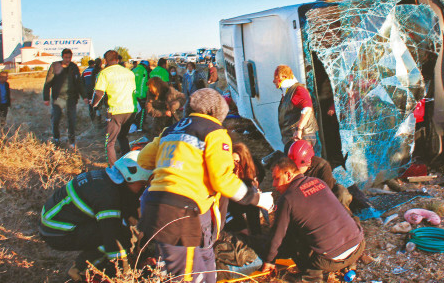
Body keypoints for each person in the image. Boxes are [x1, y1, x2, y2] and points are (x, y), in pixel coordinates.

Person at [137, 88, 274, 283]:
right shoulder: (214, 132)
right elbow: (223, 180)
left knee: (205, 267)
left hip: (155, 206)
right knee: (192, 278)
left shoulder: (171, 130)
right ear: (217, 112)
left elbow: (143, 159)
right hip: (182, 212)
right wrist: (258, 198)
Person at [39, 151, 152, 281]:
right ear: (130, 177)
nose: (143, 188)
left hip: (55, 224)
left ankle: (85, 265)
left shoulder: (107, 179)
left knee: (120, 230)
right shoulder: (108, 196)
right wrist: (125, 273)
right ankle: (81, 269)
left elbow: (127, 207)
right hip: (57, 233)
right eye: (142, 184)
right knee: (117, 234)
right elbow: (113, 239)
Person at [261, 157, 364, 282]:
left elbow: (277, 235)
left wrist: (269, 260)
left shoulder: (287, 199)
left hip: (330, 260)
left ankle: (311, 277)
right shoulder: (318, 182)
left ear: (288, 175)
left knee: (291, 235)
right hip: (358, 247)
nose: (274, 184)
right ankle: (349, 265)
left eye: (276, 178)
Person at [91, 50, 137, 166]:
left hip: (115, 111)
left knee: (110, 142)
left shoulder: (104, 73)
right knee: (123, 137)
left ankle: (113, 168)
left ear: (105, 61)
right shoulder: (129, 73)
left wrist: (93, 104)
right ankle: (128, 164)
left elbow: (99, 93)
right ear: (117, 60)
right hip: (131, 110)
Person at [286, 140, 352, 208]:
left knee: (341, 192)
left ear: (308, 163)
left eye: (297, 168)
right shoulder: (287, 169)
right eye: (292, 167)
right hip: (302, 200)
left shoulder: (322, 167)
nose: (294, 171)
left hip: (322, 198)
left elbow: (327, 194)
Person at [43, 48, 87, 148]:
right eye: (66, 57)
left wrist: (84, 96)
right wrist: (46, 97)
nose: (68, 59)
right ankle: (56, 138)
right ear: (62, 57)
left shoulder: (74, 67)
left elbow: (79, 82)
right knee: (56, 118)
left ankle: (71, 141)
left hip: (71, 98)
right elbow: (48, 82)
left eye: (69, 58)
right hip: (58, 98)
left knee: (72, 120)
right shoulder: (55, 66)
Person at [273, 65, 318, 150]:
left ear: (284, 77)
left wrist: (299, 129)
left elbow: (307, 109)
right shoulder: (288, 92)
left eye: (275, 77)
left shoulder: (298, 90)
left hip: (301, 137)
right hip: (294, 138)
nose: (273, 81)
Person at [226, 142, 265, 235]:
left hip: (247, 197)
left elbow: (259, 179)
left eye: (237, 161)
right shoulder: (228, 169)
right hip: (231, 202)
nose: (234, 164)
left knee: (253, 207)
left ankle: (257, 235)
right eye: (232, 161)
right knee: (242, 229)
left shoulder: (254, 168)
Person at [132, 60, 150, 131]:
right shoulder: (143, 71)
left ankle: (135, 124)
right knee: (142, 111)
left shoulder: (134, 70)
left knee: (135, 110)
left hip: (133, 94)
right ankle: (140, 127)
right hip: (140, 95)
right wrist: (142, 96)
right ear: (145, 65)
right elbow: (143, 84)